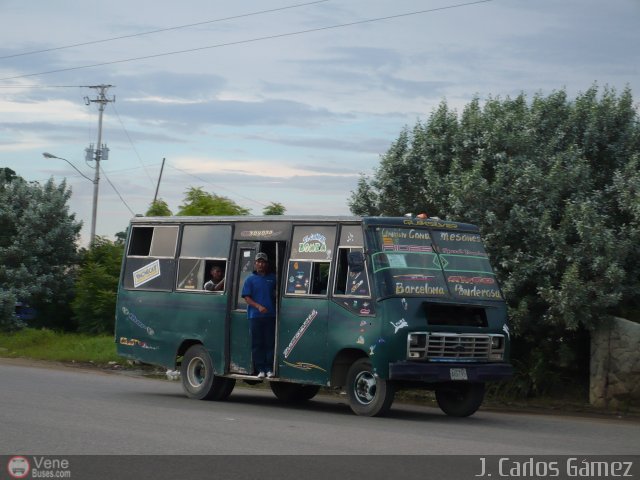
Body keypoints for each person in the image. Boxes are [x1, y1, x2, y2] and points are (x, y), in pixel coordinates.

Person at [241, 252, 276, 378]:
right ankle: (260, 369)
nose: (260, 264)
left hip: (270, 316)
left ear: (266, 264)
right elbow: (247, 297)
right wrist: (258, 306)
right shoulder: (249, 279)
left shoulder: (273, 278)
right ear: (255, 264)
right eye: (258, 262)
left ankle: (269, 369)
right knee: (257, 343)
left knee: (269, 343)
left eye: (263, 262)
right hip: (255, 316)